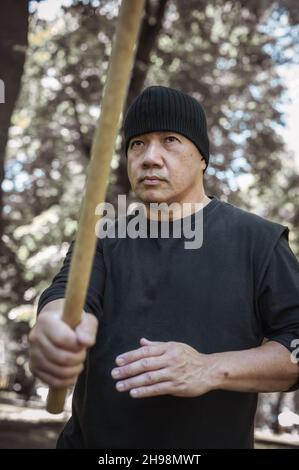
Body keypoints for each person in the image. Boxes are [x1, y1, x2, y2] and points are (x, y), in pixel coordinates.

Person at [29, 85, 299, 449]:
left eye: (169, 139)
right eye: (137, 143)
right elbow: (68, 300)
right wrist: (55, 328)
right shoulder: (104, 238)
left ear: (202, 156)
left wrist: (209, 368)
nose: (150, 157)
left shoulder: (258, 241)